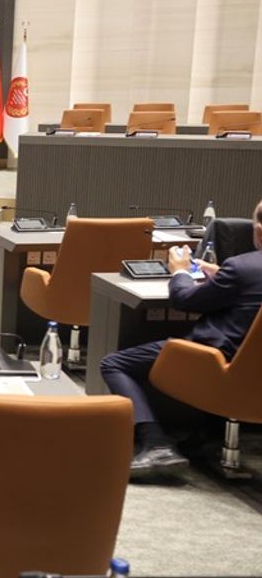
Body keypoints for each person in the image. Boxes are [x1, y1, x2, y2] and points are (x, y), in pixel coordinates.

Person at [101, 199, 262, 479]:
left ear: (259, 230)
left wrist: (180, 272)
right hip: (254, 375)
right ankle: (208, 435)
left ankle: (156, 444)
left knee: (114, 363)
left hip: (219, 366)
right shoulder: (243, 270)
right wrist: (223, 276)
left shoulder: (243, 268)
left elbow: (184, 300)